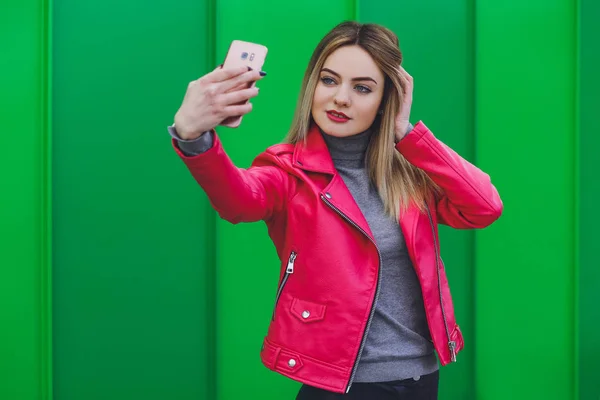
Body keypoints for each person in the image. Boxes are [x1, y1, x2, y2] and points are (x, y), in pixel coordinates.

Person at [169, 20, 502, 400]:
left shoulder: (408, 174)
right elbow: (239, 200)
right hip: (343, 386)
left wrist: (408, 134)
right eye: (329, 80)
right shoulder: (288, 172)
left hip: (421, 378)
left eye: (362, 88)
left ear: (385, 101)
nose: (341, 98)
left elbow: (485, 206)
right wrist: (193, 137)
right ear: (313, 86)